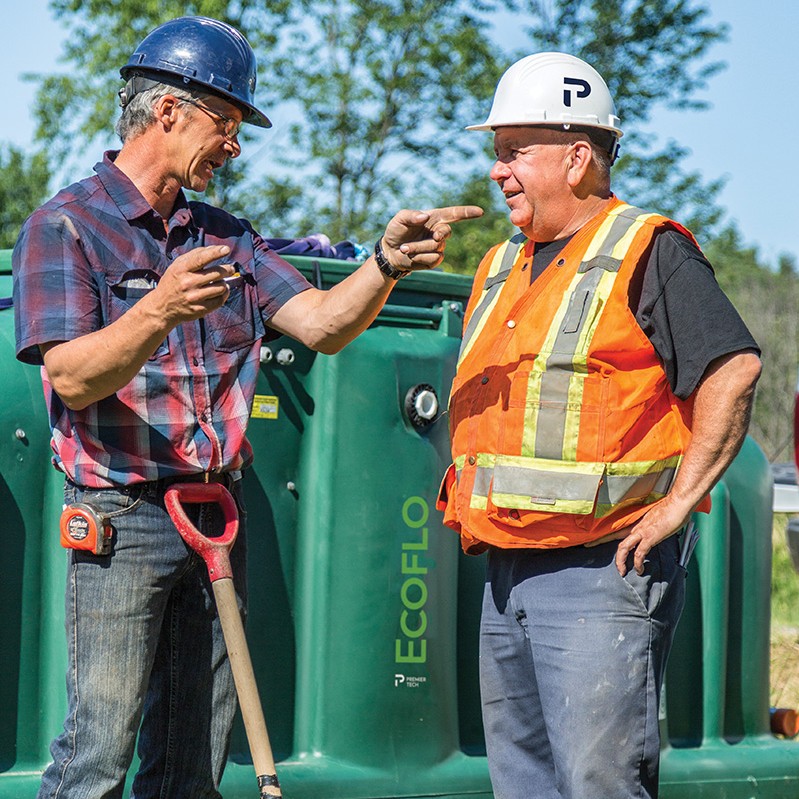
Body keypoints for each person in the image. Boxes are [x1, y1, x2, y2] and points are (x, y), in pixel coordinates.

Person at [12, 15, 481, 799]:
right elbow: (69, 378)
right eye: (224, 123)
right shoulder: (66, 227)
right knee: (97, 750)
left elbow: (325, 326)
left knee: (193, 756)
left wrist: (384, 263)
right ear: (167, 112)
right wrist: (156, 310)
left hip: (216, 518)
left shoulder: (231, 238)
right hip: (119, 519)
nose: (234, 145)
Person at [436, 52, 761, 799]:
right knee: (522, 784)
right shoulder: (498, 265)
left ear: (577, 156)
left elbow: (731, 367)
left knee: (597, 783)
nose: (497, 171)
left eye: (514, 152)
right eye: (496, 153)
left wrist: (677, 504)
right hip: (504, 569)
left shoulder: (647, 248)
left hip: (598, 572)